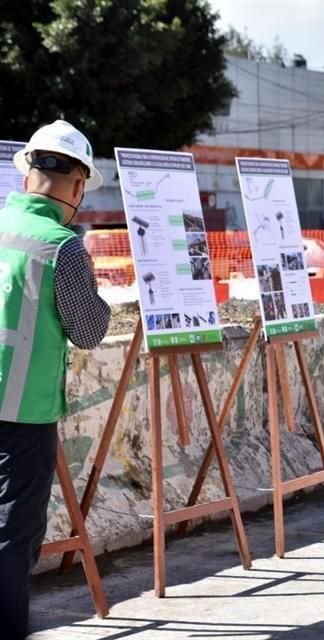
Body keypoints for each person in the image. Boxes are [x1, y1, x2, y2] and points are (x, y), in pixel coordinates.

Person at [0, 120, 111, 639]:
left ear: (27, 174)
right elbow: (88, 331)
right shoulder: (62, 247)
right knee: (12, 533)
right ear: (78, 185)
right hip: (22, 414)